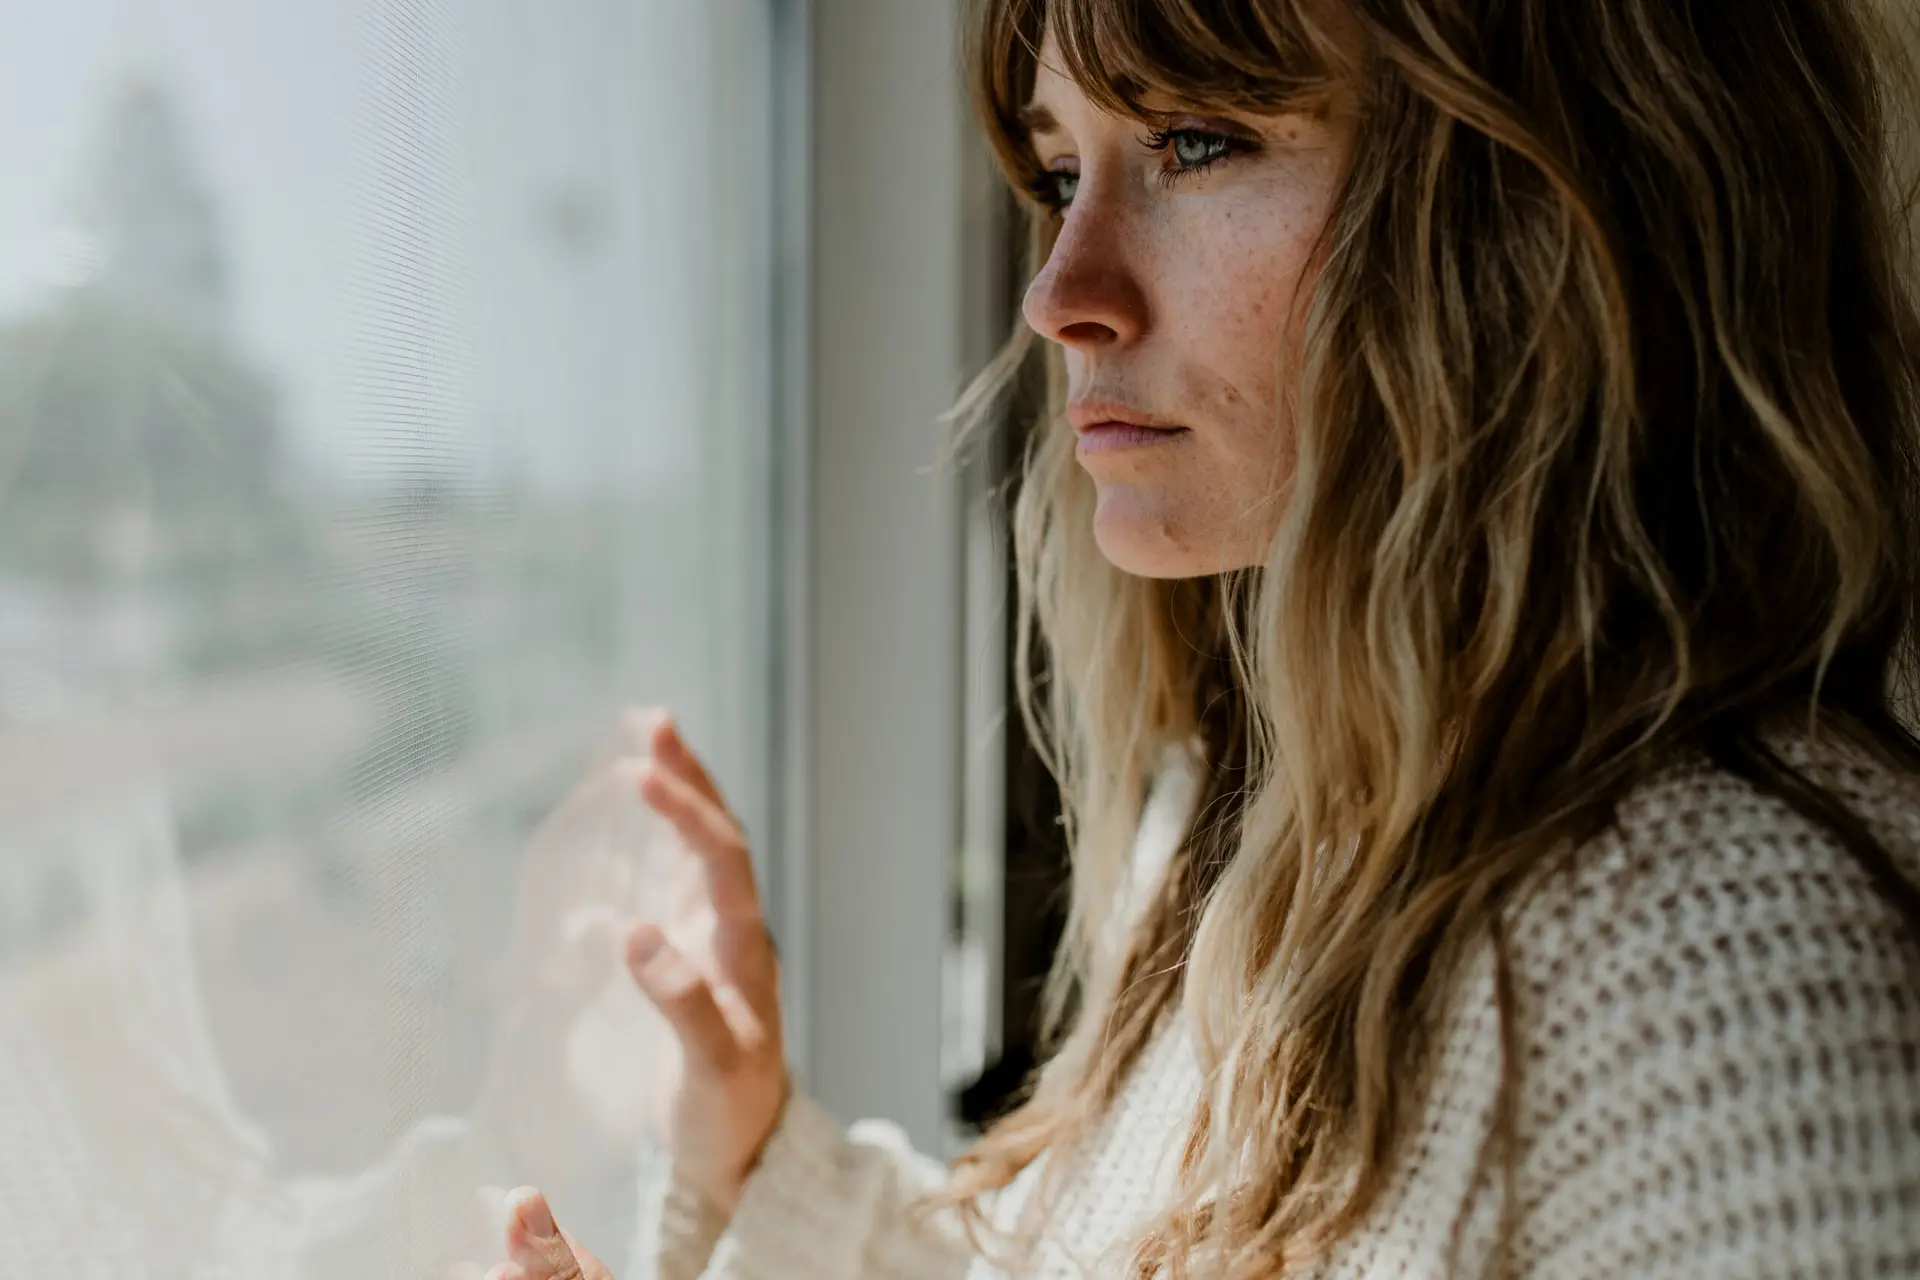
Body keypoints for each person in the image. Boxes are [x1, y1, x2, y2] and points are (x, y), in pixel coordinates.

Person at [488, 0, 1920, 1274]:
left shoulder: (1724, 982)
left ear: (1554, 200)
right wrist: (754, 1159)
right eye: (1061, 173)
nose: (1060, 292)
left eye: (1196, 141)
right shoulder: (1265, 823)